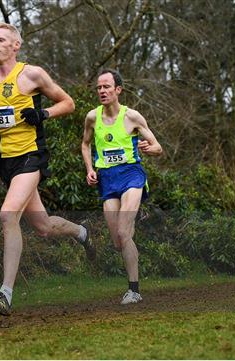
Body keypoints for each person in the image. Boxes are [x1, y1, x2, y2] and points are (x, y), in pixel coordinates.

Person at [0, 22, 95, 316]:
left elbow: (69, 103)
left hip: (31, 156)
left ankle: (5, 295)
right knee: (43, 227)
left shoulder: (31, 74)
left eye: (1, 40)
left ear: (16, 45)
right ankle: (82, 233)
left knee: (7, 214)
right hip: (5, 162)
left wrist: (42, 113)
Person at [81, 69, 163, 305]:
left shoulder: (132, 117)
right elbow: (85, 144)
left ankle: (134, 290)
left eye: (107, 87)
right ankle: (137, 218)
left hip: (131, 175)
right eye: (99, 87)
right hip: (107, 179)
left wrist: (149, 148)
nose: (102, 91)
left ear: (118, 90)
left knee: (123, 233)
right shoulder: (92, 118)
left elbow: (158, 147)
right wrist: (89, 168)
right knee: (118, 242)